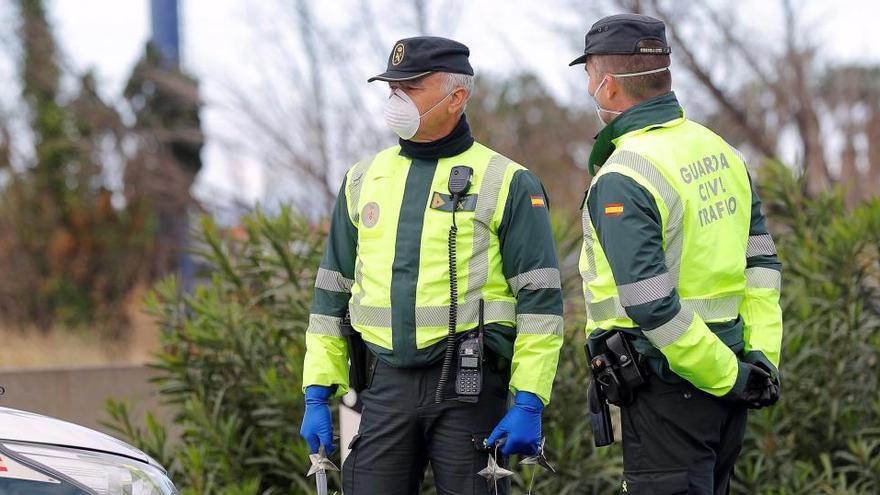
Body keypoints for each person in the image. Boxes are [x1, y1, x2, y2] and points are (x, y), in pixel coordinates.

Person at [299, 36, 564, 494]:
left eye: (411, 88)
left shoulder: (509, 182)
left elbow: (540, 301)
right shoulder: (362, 180)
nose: (396, 98)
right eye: (391, 88)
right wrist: (317, 391)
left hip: (471, 389)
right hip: (384, 390)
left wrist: (529, 399)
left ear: (456, 97)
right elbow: (330, 293)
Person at [570, 14, 784, 495]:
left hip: (673, 389)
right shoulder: (723, 152)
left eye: (588, 76)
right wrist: (760, 363)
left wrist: (728, 376)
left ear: (607, 88)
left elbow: (652, 307)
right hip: (734, 377)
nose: (587, 88)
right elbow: (763, 268)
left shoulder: (625, 175)